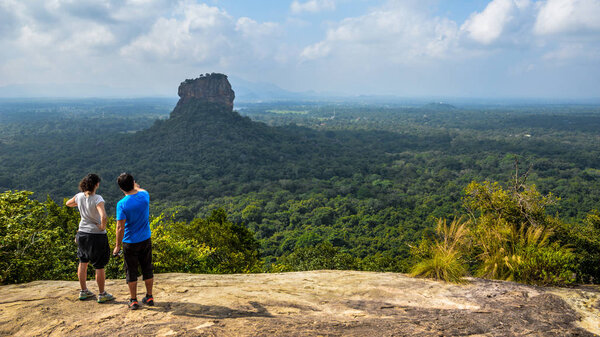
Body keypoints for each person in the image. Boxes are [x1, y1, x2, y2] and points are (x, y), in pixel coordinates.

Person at [66, 173, 115, 303]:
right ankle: (102, 294)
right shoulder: (97, 198)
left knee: (83, 262)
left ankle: (83, 291)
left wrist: (80, 204)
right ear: (96, 184)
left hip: (82, 233)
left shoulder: (79, 196)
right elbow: (103, 216)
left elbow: (67, 203)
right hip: (96, 235)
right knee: (99, 265)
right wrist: (102, 227)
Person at [113, 173, 154, 310]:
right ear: (134, 183)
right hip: (145, 238)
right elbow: (141, 190)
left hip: (130, 242)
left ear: (120, 188)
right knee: (147, 267)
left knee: (131, 270)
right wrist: (136, 187)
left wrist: (117, 246)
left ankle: (134, 300)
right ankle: (149, 296)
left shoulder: (122, 204)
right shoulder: (144, 196)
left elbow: (120, 227)